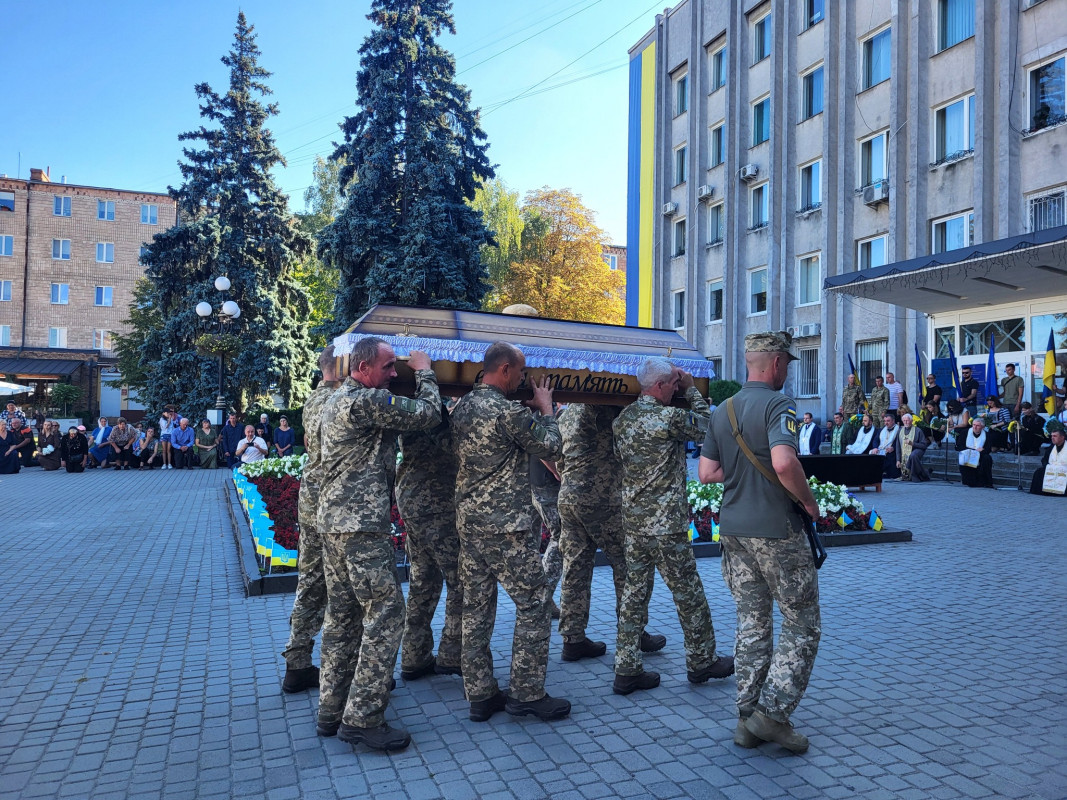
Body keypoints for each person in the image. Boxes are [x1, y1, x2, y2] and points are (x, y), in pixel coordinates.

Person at [315, 337, 441, 752]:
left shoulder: (337, 400)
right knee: (387, 614)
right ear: (364, 368)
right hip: (361, 528)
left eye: (398, 366)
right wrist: (423, 370)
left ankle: (331, 709)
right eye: (389, 366)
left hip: (334, 525)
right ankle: (363, 717)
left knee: (343, 617)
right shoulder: (365, 401)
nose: (394, 373)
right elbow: (427, 414)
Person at [699, 330, 821, 754]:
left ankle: (746, 718)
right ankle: (771, 716)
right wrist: (809, 502)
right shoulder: (777, 404)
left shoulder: (724, 410)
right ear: (772, 363)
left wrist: (743, 476)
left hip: (733, 529)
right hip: (776, 529)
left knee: (751, 620)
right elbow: (784, 461)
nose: (787, 369)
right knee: (802, 620)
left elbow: (707, 473)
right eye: (786, 362)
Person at [450, 341, 571, 724]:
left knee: (476, 609)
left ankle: (481, 695)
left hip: (470, 525)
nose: (523, 378)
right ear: (504, 370)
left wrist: (528, 412)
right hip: (506, 529)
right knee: (535, 605)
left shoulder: (463, 407)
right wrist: (547, 408)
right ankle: (527, 692)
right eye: (520, 372)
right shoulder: (506, 413)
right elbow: (551, 444)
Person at [612, 359, 732, 696]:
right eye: (673, 386)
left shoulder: (623, 420)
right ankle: (702, 661)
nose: (675, 390)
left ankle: (626, 669)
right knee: (688, 594)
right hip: (666, 525)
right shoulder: (668, 418)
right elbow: (711, 428)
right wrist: (693, 391)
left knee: (634, 596)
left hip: (635, 524)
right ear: (662, 385)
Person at [556, 403, 665, 664]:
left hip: (570, 498)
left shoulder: (566, 414)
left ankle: (573, 639)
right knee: (629, 566)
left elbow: (557, 456)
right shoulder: (609, 411)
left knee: (575, 569)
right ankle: (633, 632)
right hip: (604, 500)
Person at [281, 347, 338, 695]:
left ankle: (297, 664)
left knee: (310, 584)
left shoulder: (314, 399)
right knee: (342, 590)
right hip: (332, 506)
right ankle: (342, 672)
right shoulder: (341, 400)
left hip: (311, 502)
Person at [395, 407, 464, 683]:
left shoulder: (411, 409)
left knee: (423, 580)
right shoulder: (430, 411)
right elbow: (455, 444)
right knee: (461, 578)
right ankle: (452, 652)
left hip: (413, 499)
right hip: (435, 502)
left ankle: (415, 655)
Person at [530, 453, 563, 616]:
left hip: (531, 476)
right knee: (561, 538)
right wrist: (558, 471)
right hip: (546, 480)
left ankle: (531, 600)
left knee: (530, 540)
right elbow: (542, 446)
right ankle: (542, 599)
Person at [1029, 422, 1066, 496]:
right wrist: (1047, 465)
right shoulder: (1052, 447)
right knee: (1039, 472)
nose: (1052, 438)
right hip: (1052, 467)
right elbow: (1044, 459)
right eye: (1052, 436)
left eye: (1055, 436)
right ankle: (1042, 491)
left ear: (1062, 437)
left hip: (1064, 468)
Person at [959, 418, 995, 488]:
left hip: (980, 455)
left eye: (977, 426)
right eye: (974, 425)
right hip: (968, 454)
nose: (975, 427)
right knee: (963, 456)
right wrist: (973, 451)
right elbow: (960, 446)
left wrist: (980, 452)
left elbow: (988, 449)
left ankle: (986, 481)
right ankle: (968, 480)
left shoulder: (987, 435)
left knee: (987, 458)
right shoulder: (965, 432)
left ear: (983, 427)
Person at [897, 414, 931, 482]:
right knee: (911, 455)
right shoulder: (900, 431)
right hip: (904, 452)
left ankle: (914, 476)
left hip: (917, 449)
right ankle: (924, 474)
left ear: (911, 421)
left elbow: (924, 445)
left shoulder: (918, 430)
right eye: (904, 421)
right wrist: (898, 460)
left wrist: (913, 444)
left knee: (913, 455)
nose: (905, 422)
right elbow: (897, 446)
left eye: (907, 420)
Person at [871, 413, 901, 478]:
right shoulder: (881, 430)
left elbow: (900, 442)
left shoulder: (899, 430)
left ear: (893, 421)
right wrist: (875, 448)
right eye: (885, 421)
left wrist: (893, 448)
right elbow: (875, 440)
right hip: (880, 449)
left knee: (890, 457)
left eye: (888, 421)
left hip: (892, 451)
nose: (886, 423)